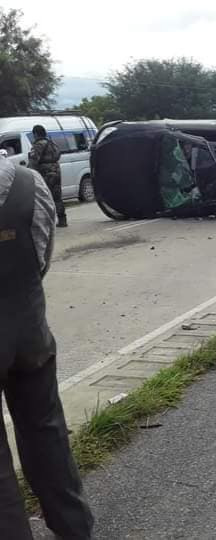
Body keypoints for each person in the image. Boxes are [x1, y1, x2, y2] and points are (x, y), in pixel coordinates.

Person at [0, 159, 94, 539]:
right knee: (47, 432)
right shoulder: (28, 182)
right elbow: (41, 258)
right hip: (28, 333)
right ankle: (74, 527)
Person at [28, 125, 67, 228]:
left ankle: (47, 223)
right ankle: (62, 220)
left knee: (44, 198)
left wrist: (28, 173)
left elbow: (33, 161)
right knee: (57, 197)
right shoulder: (51, 143)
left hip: (46, 173)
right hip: (56, 170)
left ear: (35, 134)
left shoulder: (38, 145)